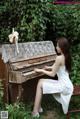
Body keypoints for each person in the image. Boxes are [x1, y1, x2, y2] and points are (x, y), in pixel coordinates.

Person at [32, 37, 73, 118]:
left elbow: (52, 74)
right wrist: (48, 67)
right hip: (68, 85)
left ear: (62, 48)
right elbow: (59, 68)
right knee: (41, 80)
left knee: (40, 84)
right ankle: (38, 107)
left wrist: (41, 70)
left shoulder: (59, 58)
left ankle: (35, 111)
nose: (56, 47)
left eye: (57, 46)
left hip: (64, 86)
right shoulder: (66, 56)